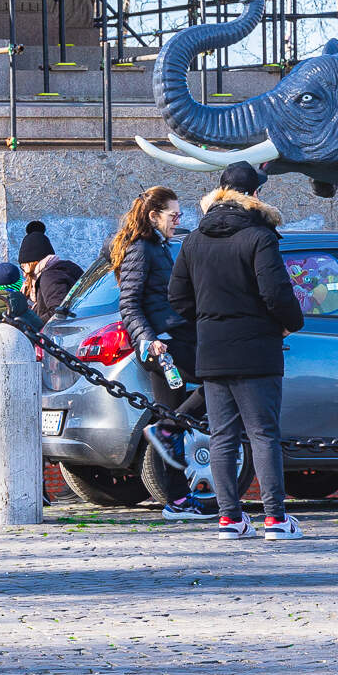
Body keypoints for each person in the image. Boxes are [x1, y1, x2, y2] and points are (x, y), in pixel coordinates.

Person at [169, 161, 306, 540]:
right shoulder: (259, 236)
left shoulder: (194, 240)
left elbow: (177, 297)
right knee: (263, 435)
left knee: (222, 437)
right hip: (257, 350)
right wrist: (289, 323)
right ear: (254, 195)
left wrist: (209, 320)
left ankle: (230, 518)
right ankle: (275, 519)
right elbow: (276, 292)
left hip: (213, 351)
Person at [108, 186, 211, 521]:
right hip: (165, 344)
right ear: (154, 216)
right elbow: (129, 303)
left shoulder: (158, 246)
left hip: (170, 341)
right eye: (173, 215)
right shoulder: (142, 249)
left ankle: (178, 501)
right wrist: (148, 339)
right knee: (221, 380)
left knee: (173, 421)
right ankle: (167, 428)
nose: (177, 221)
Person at [19, 221, 84, 319]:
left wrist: (32, 323)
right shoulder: (64, 269)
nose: (24, 274)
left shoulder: (49, 277)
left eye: (23, 267)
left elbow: (57, 313)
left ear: (33, 262)